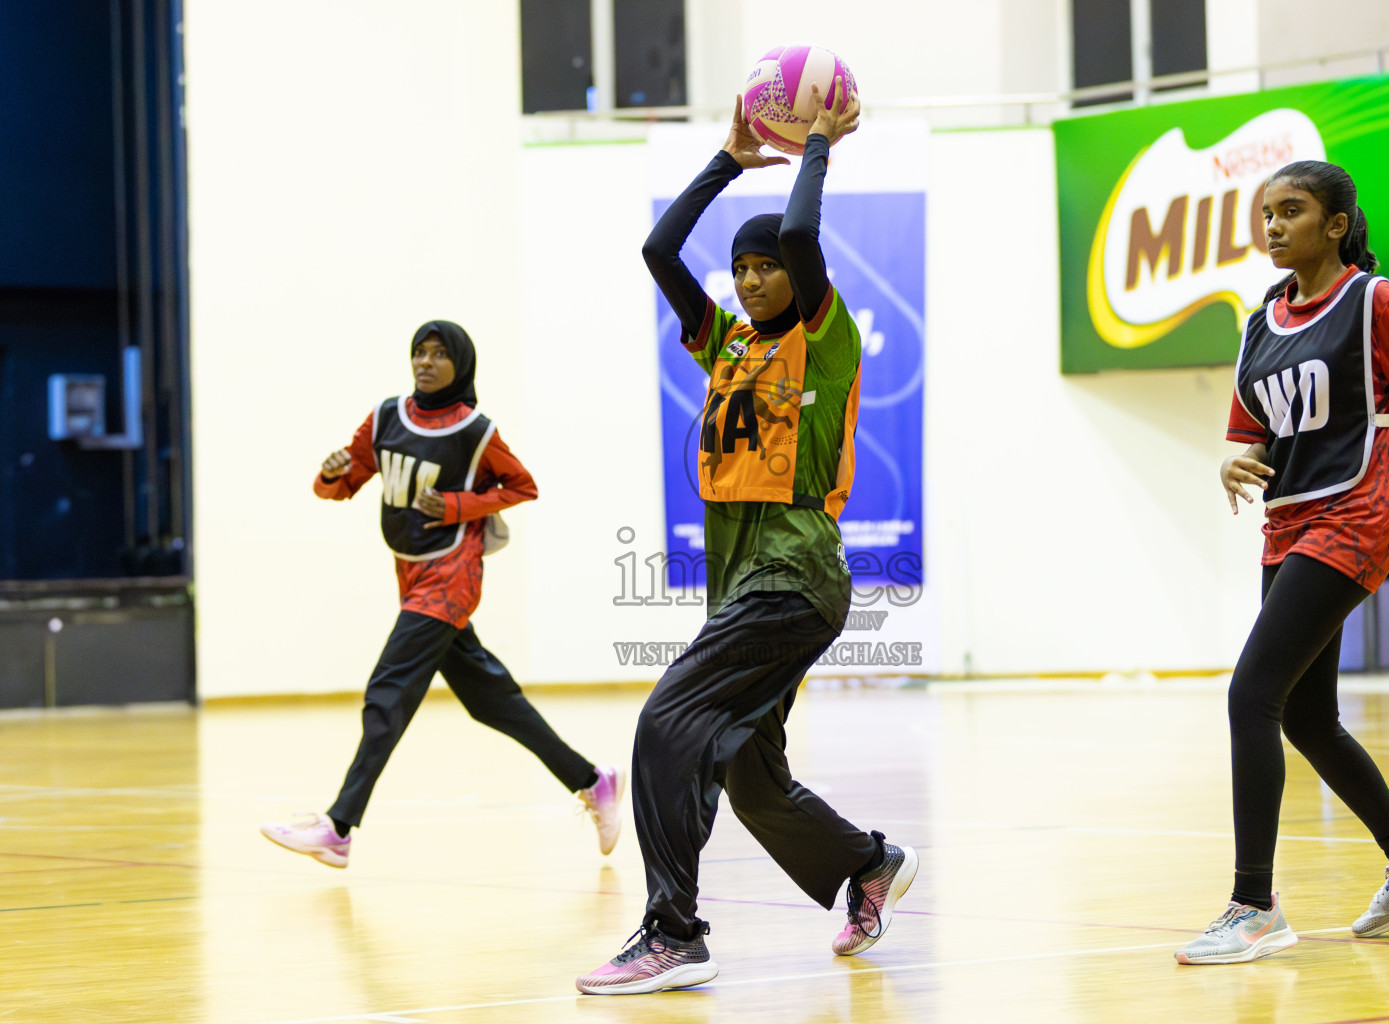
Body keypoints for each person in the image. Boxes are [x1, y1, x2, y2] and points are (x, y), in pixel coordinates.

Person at [575, 81, 918, 996]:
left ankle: (672, 932)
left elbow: (805, 238)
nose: (754, 275)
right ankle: (868, 863)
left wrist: (815, 148)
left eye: (766, 265)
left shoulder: (824, 337)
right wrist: (728, 157)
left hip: (794, 571)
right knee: (744, 767)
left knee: (666, 724)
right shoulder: (723, 342)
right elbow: (657, 248)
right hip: (743, 582)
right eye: (744, 265)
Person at [1176, 162, 1389, 965]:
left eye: (1292, 210)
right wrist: (1235, 461)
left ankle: (1254, 905)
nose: (1273, 225)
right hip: (1289, 523)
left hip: (1355, 516)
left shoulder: (1373, 302)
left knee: (1251, 694)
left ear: (1336, 224)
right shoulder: (1263, 320)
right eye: (1266, 213)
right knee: (1306, 716)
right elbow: (1251, 432)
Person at [259, 321, 623, 868]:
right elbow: (341, 484)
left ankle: (338, 827)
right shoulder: (386, 416)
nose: (425, 362)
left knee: (388, 689)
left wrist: (456, 506)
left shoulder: (476, 430)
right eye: (418, 353)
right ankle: (593, 782)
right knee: (490, 700)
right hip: (412, 575)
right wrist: (329, 472)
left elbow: (522, 486)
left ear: (461, 364)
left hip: (452, 578)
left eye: (438, 354)